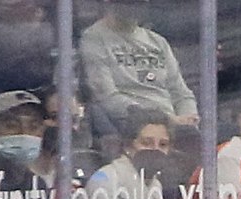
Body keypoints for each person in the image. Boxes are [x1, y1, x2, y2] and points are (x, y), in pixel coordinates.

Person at [79, 0, 198, 144]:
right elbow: (106, 96)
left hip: (175, 126)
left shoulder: (158, 41)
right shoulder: (94, 38)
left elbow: (181, 92)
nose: (136, 5)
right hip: (131, 128)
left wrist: (189, 118)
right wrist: (164, 120)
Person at [81, 113, 190, 199]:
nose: (155, 150)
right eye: (146, 143)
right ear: (128, 146)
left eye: (163, 145)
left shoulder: (156, 184)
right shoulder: (106, 180)